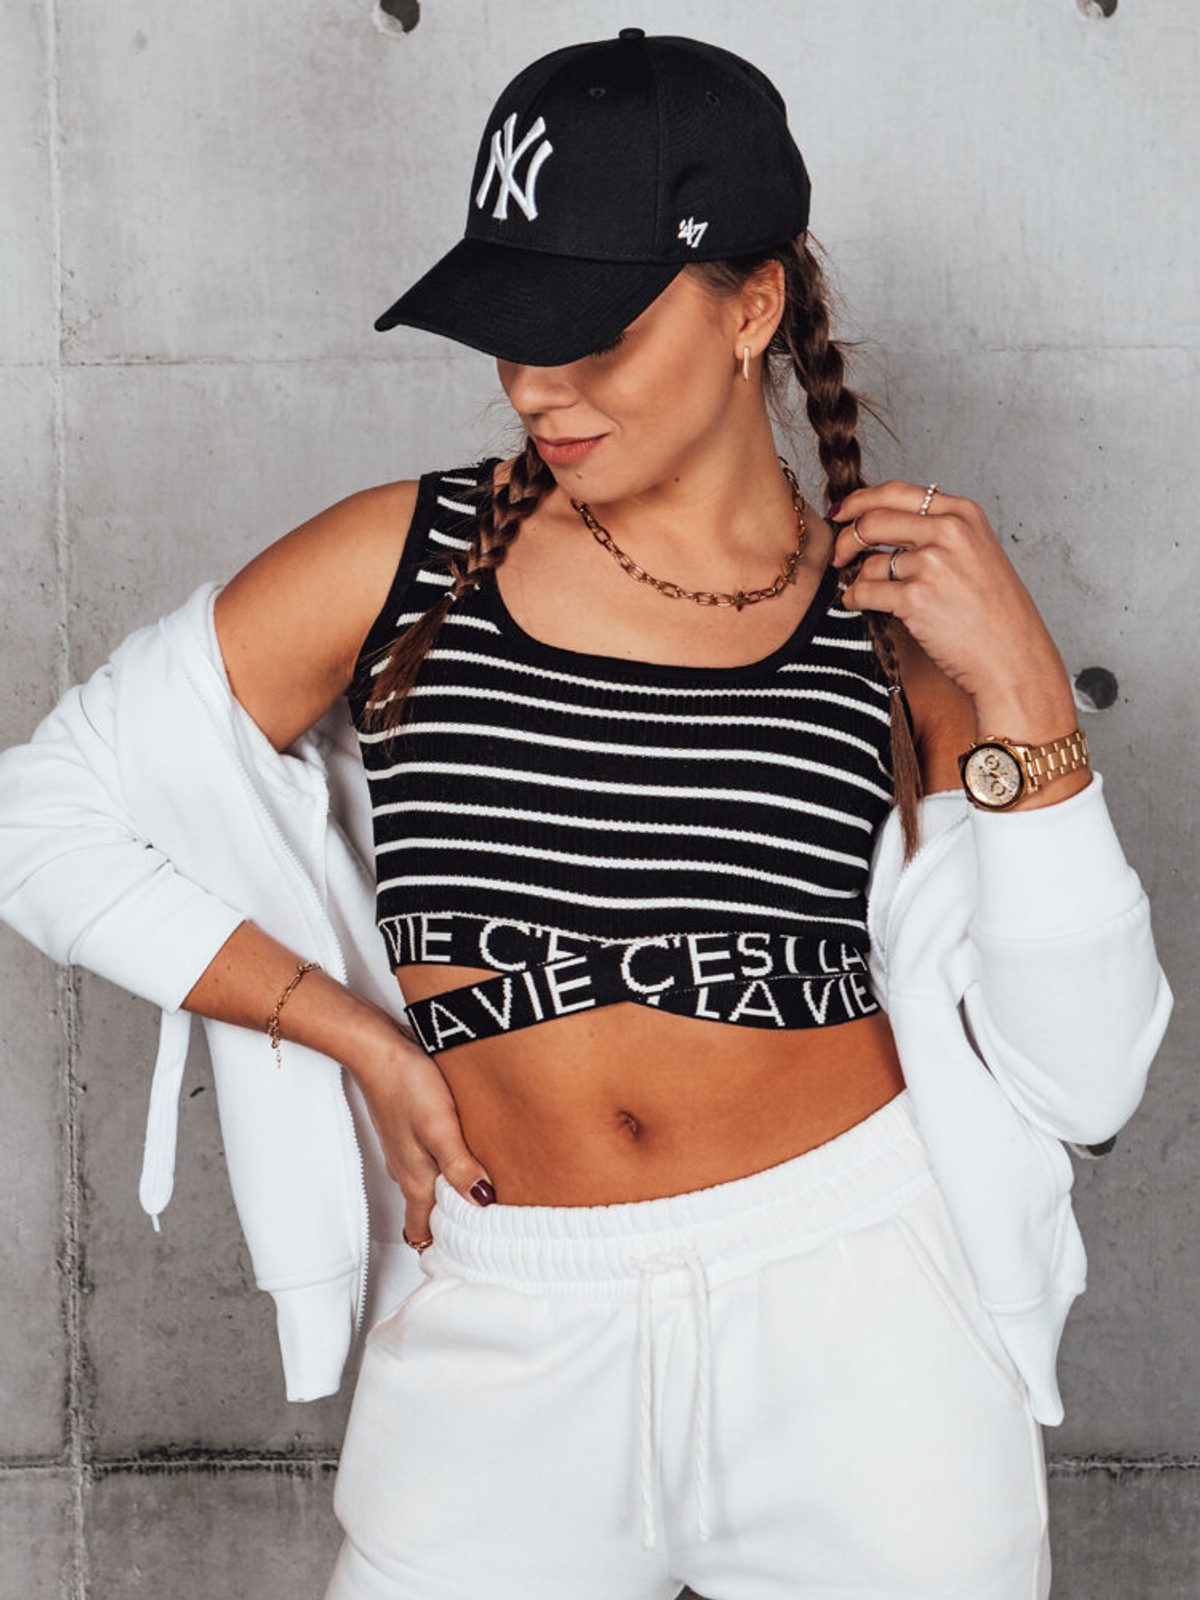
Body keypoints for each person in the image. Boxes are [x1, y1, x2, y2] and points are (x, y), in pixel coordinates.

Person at [0, 27, 1174, 1600]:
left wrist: (1026, 690)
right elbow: (43, 815)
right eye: (510, 330)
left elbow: (1084, 1082)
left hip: (862, 1335)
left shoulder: (899, 624)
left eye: (591, 332)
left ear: (751, 305)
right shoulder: (403, 563)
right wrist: (352, 1033)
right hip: (502, 1326)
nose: (536, 385)